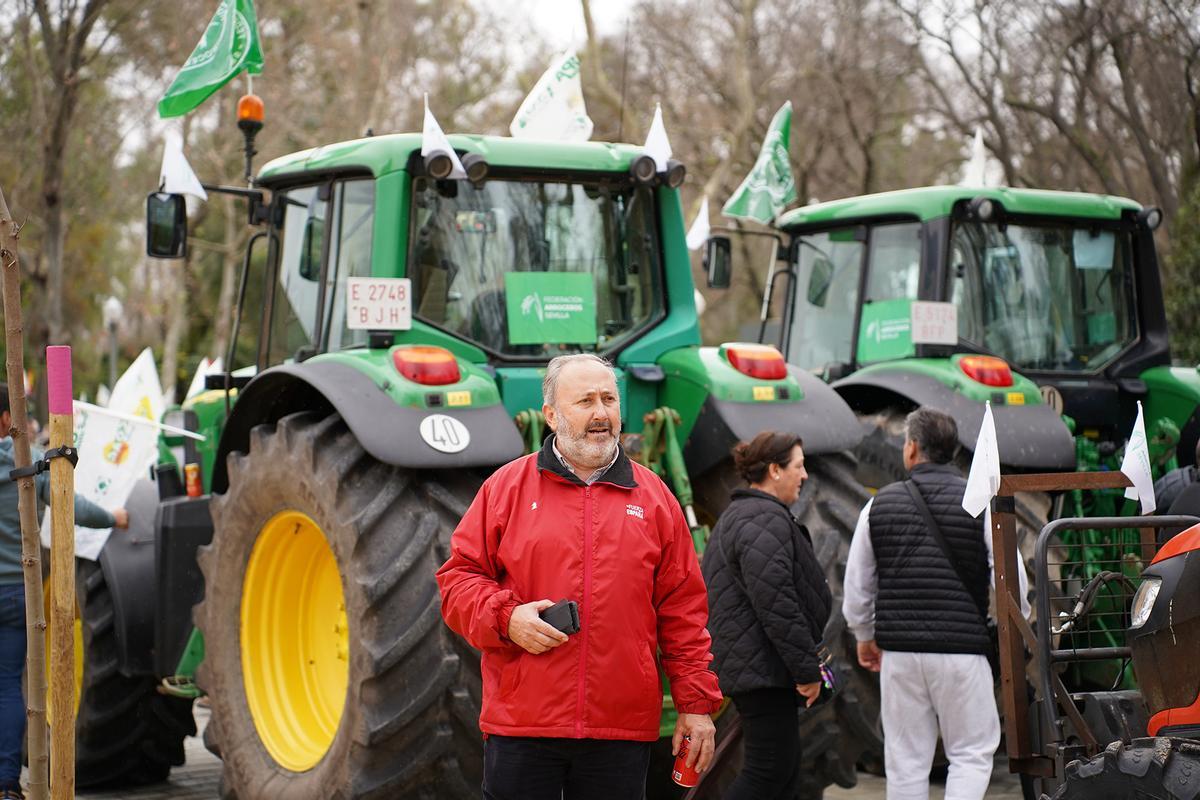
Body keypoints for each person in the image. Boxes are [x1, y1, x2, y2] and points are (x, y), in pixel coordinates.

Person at [436, 354, 722, 800]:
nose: (601, 413)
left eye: (609, 399)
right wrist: (507, 619)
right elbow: (458, 582)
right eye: (585, 401)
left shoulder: (655, 500)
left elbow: (683, 612)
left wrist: (696, 706)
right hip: (524, 725)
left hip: (620, 730)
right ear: (551, 415)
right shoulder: (505, 490)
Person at [843, 407, 1031, 800]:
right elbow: (1010, 576)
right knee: (971, 754)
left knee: (906, 760)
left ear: (911, 449)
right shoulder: (979, 504)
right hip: (962, 655)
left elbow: (858, 584)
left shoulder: (877, 506)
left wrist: (863, 634)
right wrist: (1021, 623)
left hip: (900, 655)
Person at [0, 384, 128, 800]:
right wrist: (115, 516)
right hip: (18, 595)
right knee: (8, 687)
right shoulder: (25, 467)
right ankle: (6, 785)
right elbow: (73, 505)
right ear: (7, 419)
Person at [702, 431, 831, 800]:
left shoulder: (751, 515)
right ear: (775, 470)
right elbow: (776, 601)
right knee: (767, 774)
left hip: (764, 668)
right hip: (764, 671)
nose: (804, 476)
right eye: (799, 466)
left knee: (784, 774)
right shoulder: (760, 518)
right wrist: (806, 670)